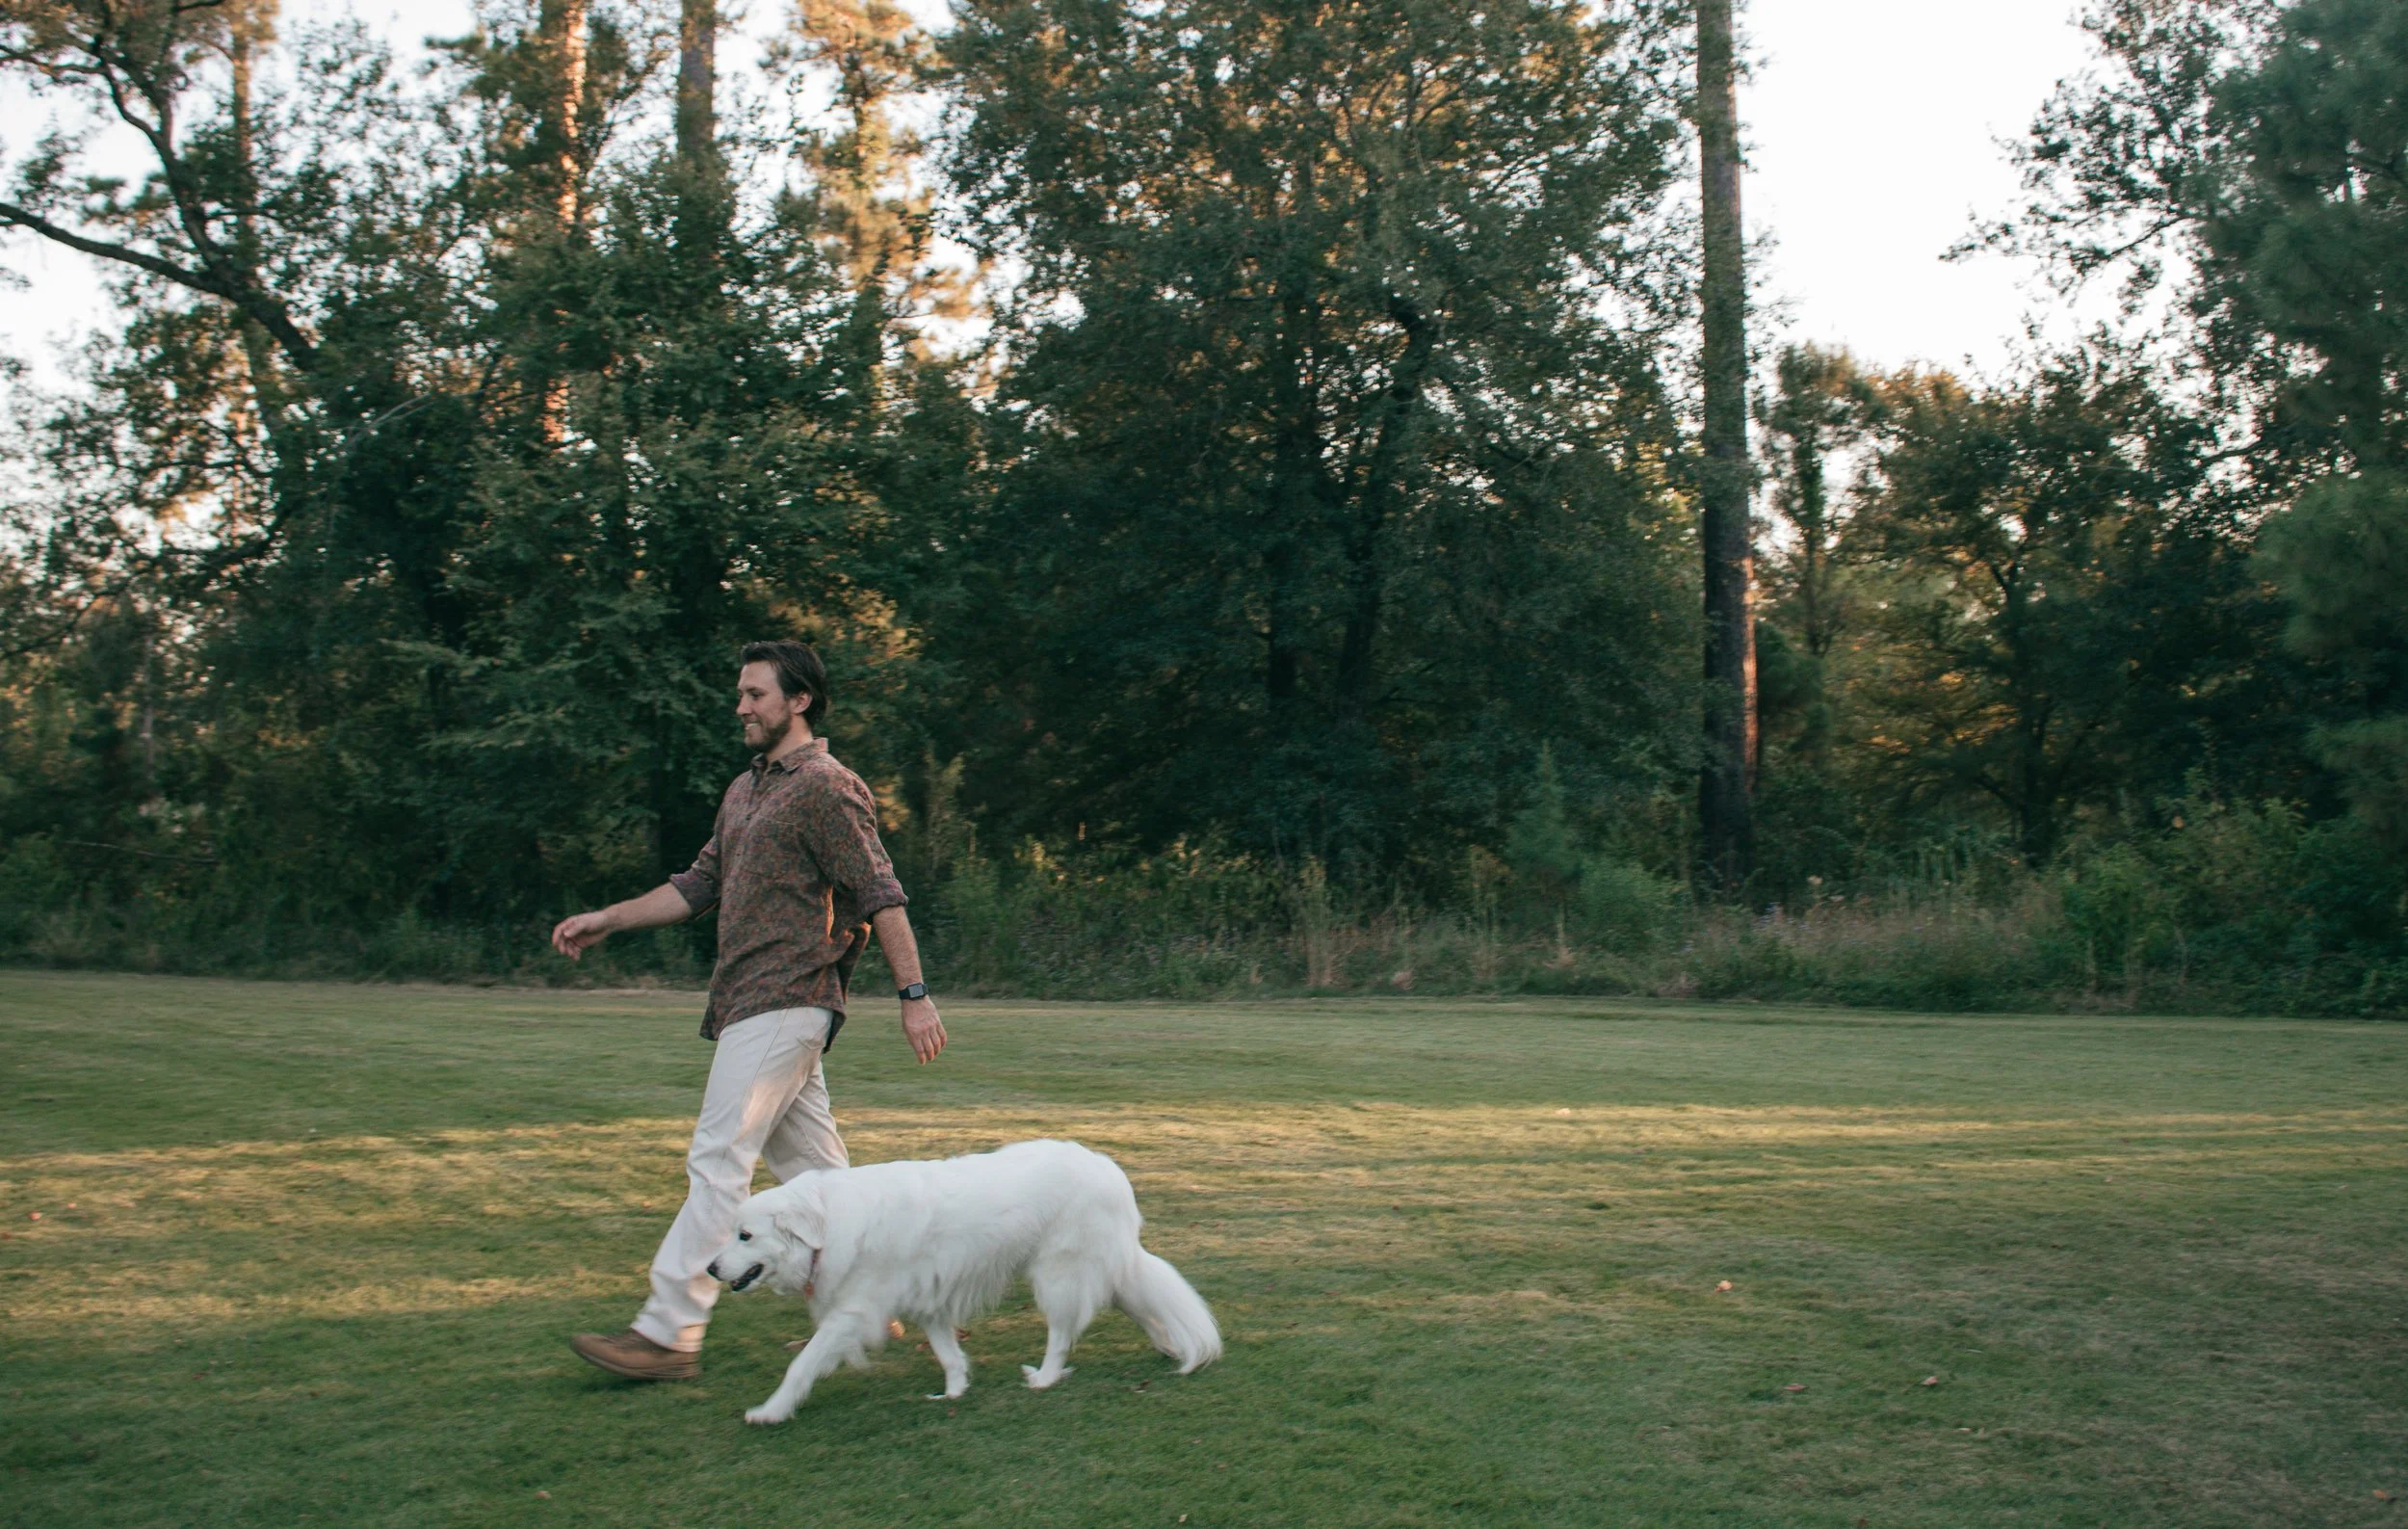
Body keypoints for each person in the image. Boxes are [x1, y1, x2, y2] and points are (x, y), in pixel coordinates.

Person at [549, 639, 946, 1381]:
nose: (741, 706)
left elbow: (881, 891)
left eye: (755, 694)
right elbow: (698, 885)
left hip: (789, 996)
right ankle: (876, 1300)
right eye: (740, 693)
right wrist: (609, 918)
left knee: (719, 1158)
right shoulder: (745, 789)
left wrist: (914, 995)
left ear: (799, 701)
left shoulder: (827, 786)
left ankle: (669, 1330)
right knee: (822, 1181)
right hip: (747, 1002)